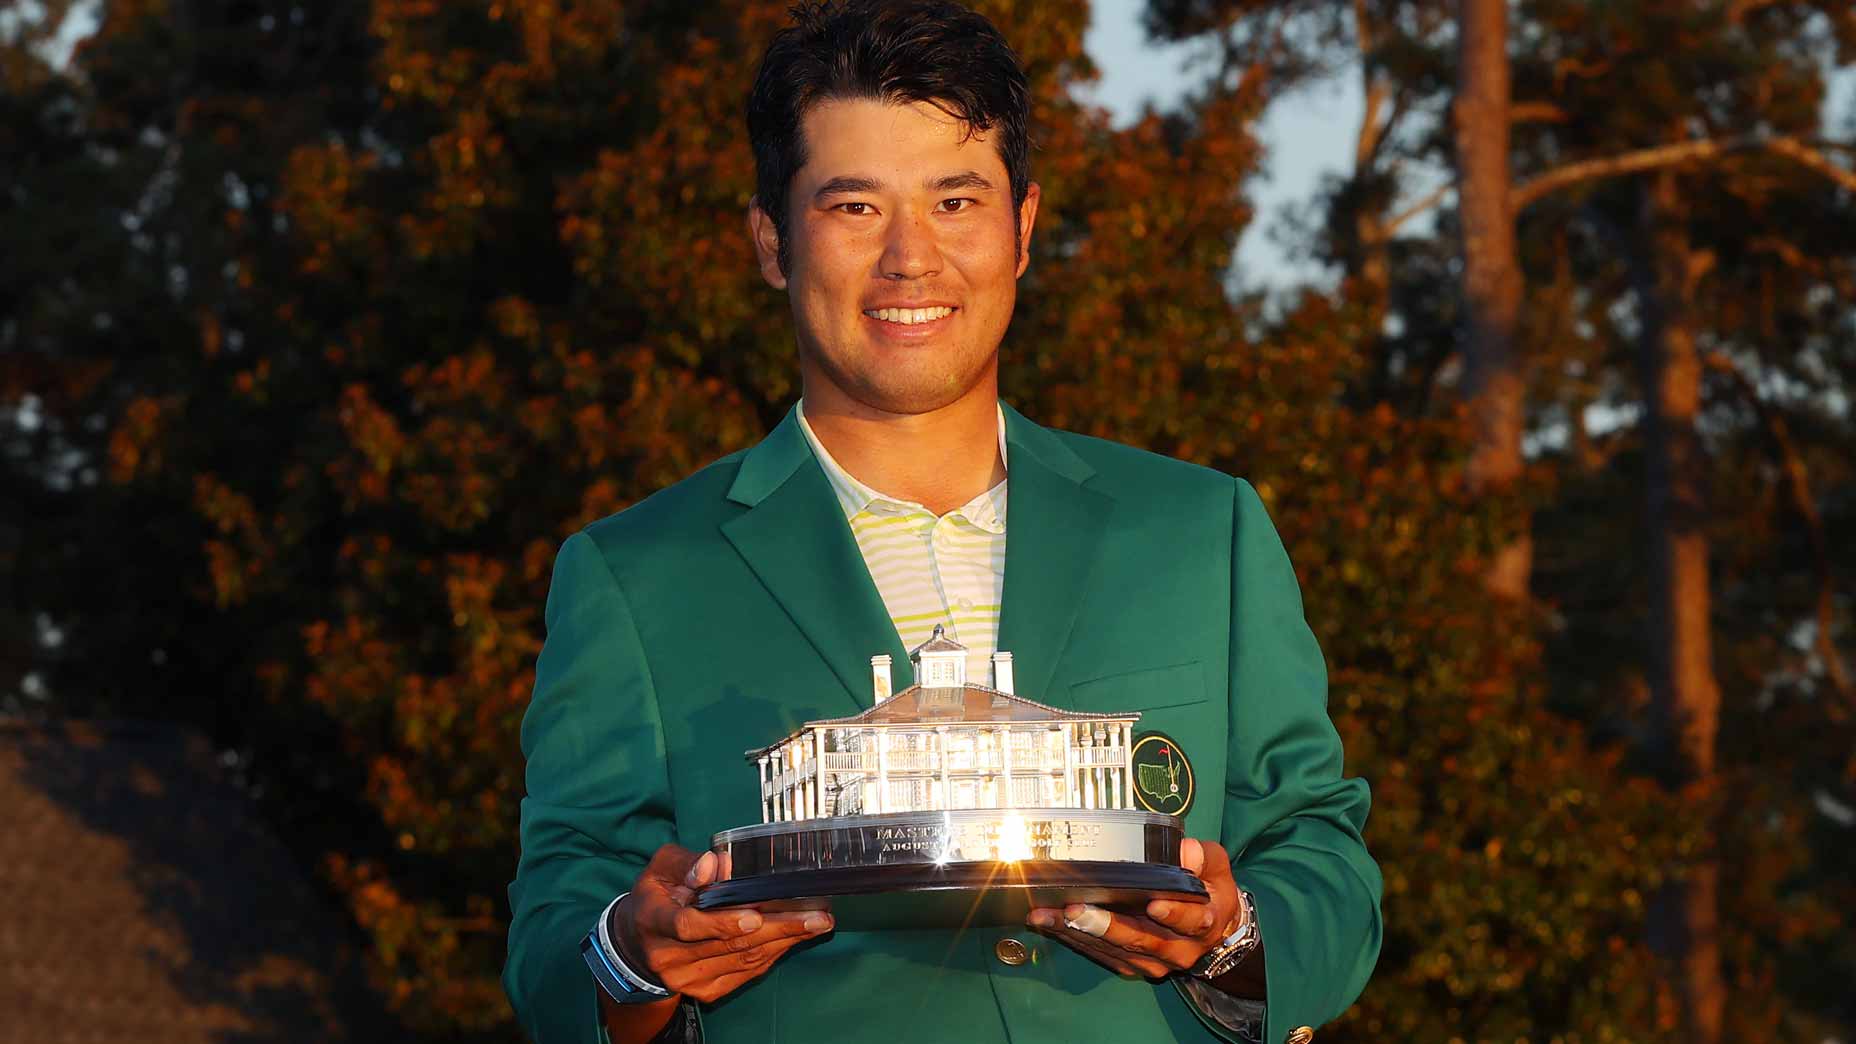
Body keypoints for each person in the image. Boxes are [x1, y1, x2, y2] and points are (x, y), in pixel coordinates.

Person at [502, 2, 1382, 1042]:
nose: (910, 259)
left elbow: (1321, 859)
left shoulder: (1203, 531)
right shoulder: (633, 574)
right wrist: (631, 960)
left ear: (1020, 228)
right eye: (853, 207)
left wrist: (1231, 940)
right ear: (770, 243)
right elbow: (559, 939)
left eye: (955, 200)